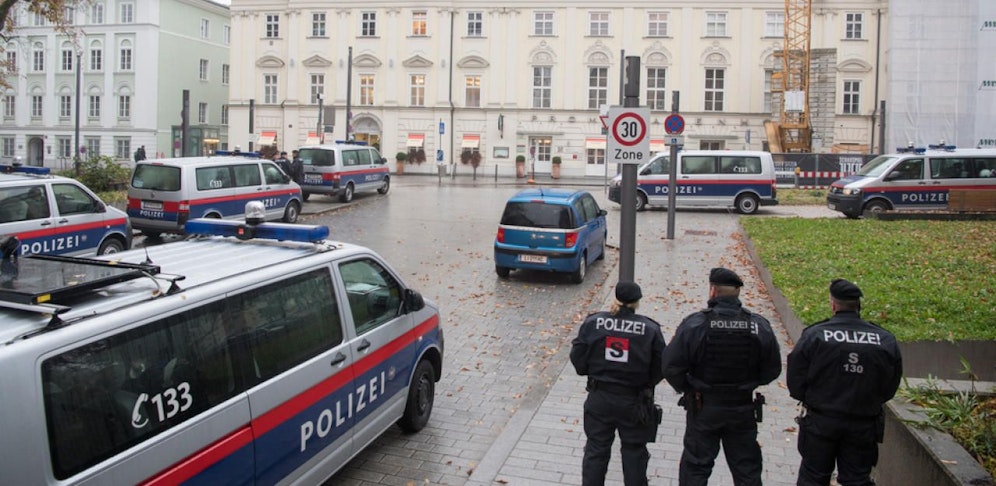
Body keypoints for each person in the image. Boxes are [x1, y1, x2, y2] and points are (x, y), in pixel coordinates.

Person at [662, 267, 782, 486]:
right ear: (737, 294)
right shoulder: (758, 325)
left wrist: (689, 387)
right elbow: (772, 369)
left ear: (713, 291)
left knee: (696, 469)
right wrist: (749, 384)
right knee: (746, 470)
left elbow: (670, 366)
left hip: (704, 407)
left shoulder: (696, 325)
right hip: (742, 408)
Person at [787, 279, 903, 486]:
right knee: (857, 479)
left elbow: (795, 377)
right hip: (863, 423)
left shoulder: (815, 335)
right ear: (858, 305)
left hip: (821, 420)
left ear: (833, 305)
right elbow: (890, 384)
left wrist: (810, 398)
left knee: (813, 477)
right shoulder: (884, 340)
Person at [570, 281, 666, 486]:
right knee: (634, 453)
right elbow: (661, 366)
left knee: (596, 450)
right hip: (634, 401)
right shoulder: (650, 329)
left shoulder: (593, 322)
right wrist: (646, 383)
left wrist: (592, 371)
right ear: (637, 302)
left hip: (600, 396)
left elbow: (578, 357)